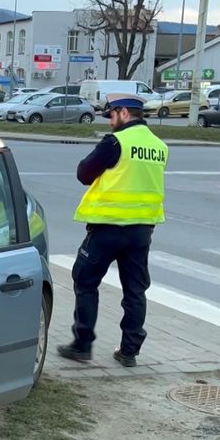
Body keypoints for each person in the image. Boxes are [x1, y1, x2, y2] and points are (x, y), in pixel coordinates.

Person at [57, 93, 169, 368]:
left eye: (112, 116)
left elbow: (84, 173)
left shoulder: (116, 142)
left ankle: (82, 345)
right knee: (135, 290)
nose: (110, 122)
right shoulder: (159, 147)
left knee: (85, 281)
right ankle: (129, 351)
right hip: (142, 230)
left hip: (108, 228)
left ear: (124, 113)